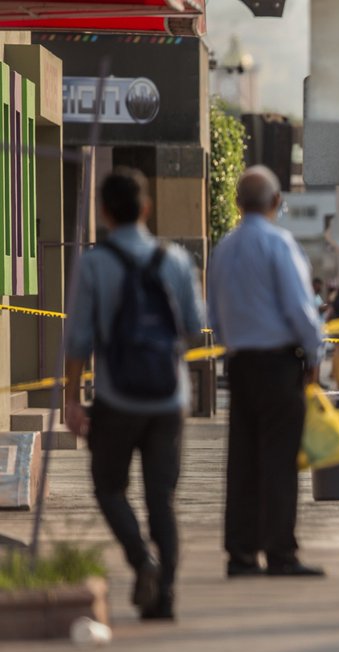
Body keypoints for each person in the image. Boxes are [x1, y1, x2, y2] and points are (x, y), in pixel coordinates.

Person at [63, 167, 204, 621]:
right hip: (168, 399)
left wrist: (71, 397)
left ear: (104, 213)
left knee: (108, 486)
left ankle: (142, 559)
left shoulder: (94, 263)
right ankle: (165, 598)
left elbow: (79, 339)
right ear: (147, 208)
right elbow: (196, 328)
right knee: (161, 497)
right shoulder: (176, 260)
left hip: (116, 398)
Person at [208, 166, 326, 578]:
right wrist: (314, 356)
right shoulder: (280, 244)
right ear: (276, 203)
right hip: (279, 365)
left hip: (240, 364)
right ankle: (280, 552)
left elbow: (214, 313)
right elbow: (300, 308)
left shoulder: (223, 249)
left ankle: (240, 554)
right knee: (278, 461)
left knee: (242, 460)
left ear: (238, 204)